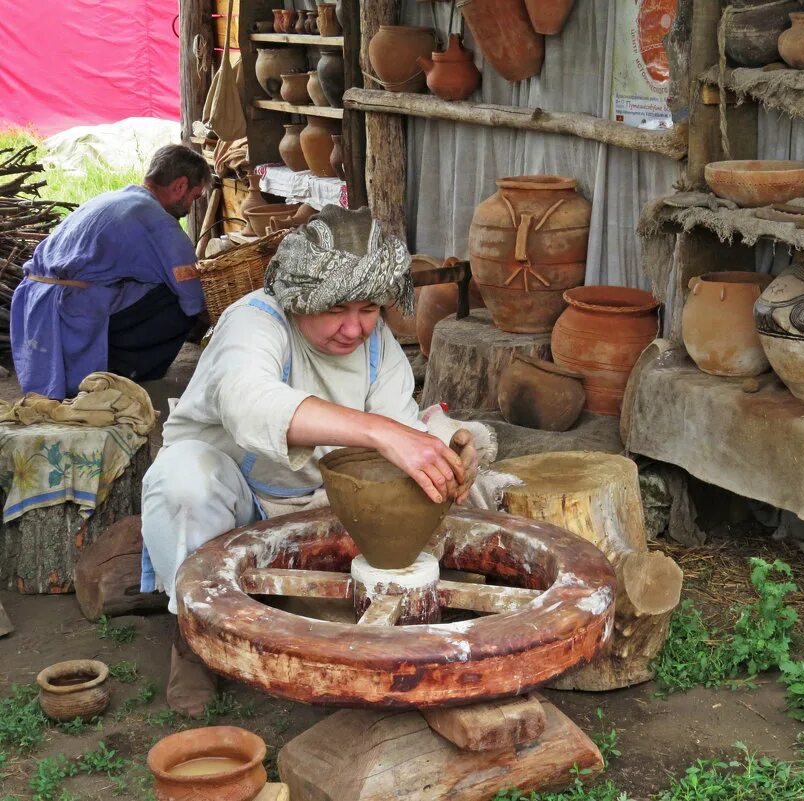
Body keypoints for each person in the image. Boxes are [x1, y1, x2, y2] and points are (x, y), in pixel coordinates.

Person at [141, 205, 487, 716]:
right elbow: (249, 403)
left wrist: (444, 441)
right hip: (235, 505)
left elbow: (402, 423)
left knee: (453, 466)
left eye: (369, 308)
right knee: (184, 478)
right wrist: (381, 432)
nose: (354, 329)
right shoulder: (255, 321)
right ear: (299, 297)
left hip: (319, 504)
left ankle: (308, 598)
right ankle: (192, 636)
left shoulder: (377, 345)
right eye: (336, 309)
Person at [11, 144, 210, 400]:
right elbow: (194, 295)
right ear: (180, 186)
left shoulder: (113, 198)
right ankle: (123, 372)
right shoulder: (159, 222)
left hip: (32, 301)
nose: (191, 208)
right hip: (69, 309)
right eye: (194, 197)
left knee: (156, 285)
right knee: (177, 302)